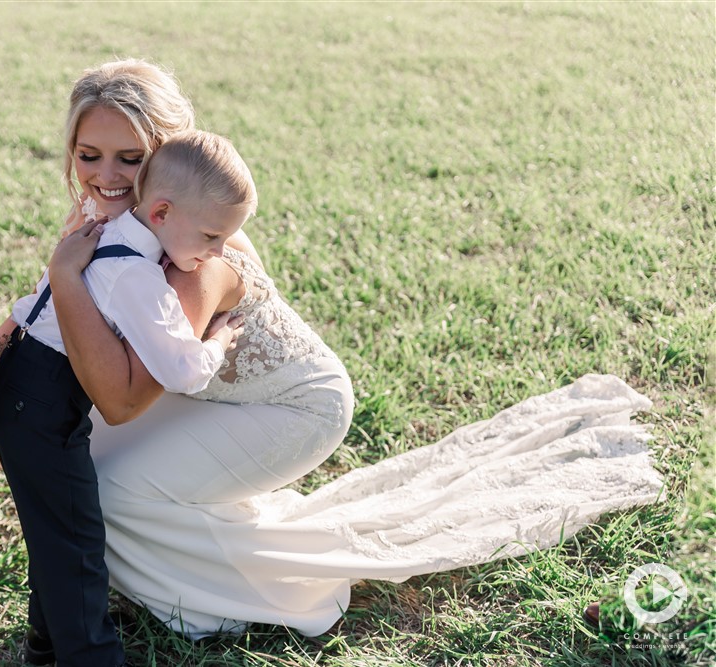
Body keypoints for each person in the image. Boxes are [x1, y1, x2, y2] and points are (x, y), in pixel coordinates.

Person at [45, 58, 666, 641]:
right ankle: (176, 564)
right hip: (219, 390)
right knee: (83, 451)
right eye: (88, 155)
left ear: (166, 156)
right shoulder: (131, 228)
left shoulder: (193, 261)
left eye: (129, 157)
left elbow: (126, 395)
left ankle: (242, 601)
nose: (104, 176)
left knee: (112, 485)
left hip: (295, 405)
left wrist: (66, 278)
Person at [0, 115, 257, 665]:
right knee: (78, 543)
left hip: (24, 390)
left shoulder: (99, 232)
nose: (218, 252)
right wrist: (221, 339)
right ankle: (93, 656)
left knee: (57, 528)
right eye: (212, 238)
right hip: (42, 402)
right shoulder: (137, 274)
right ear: (161, 213)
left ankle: (45, 642)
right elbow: (182, 369)